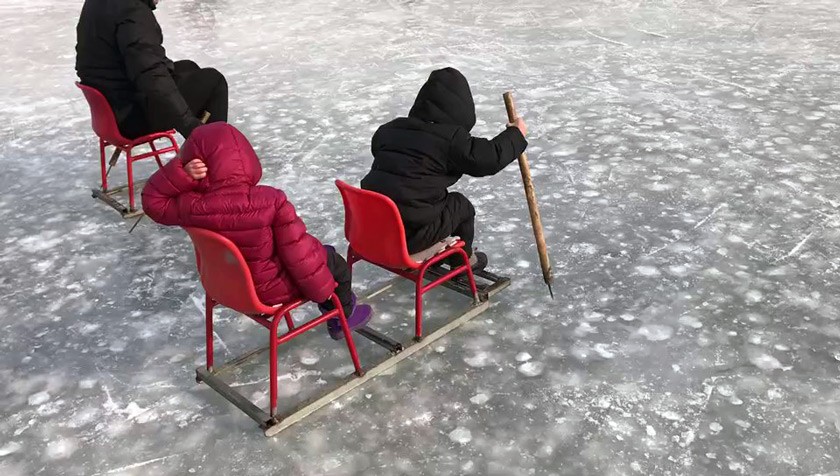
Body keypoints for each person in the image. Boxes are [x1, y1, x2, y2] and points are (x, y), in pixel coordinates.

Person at [141, 123, 373, 339]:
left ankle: (335, 307)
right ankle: (342, 318)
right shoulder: (270, 201)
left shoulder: (191, 206)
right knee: (332, 261)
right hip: (269, 290)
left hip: (224, 287)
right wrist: (322, 293)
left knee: (317, 256)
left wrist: (180, 173)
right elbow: (298, 253)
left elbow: (152, 202)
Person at [361, 67, 528, 270]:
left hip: (374, 228)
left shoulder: (390, 129)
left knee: (428, 198)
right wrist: (516, 134)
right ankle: (462, 263)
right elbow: (487, 159)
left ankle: (441, 249)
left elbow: (380, 150)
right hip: (411, 236)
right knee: (460, 205)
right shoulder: (450, 139)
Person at [75, 0, 228, 139]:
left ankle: (201, 151)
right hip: (130, 117)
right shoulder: (132, 11)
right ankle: (214, 155)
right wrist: (189, 124)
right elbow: (151, 75)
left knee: (189, 67)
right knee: (214, 81)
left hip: (112, 108)